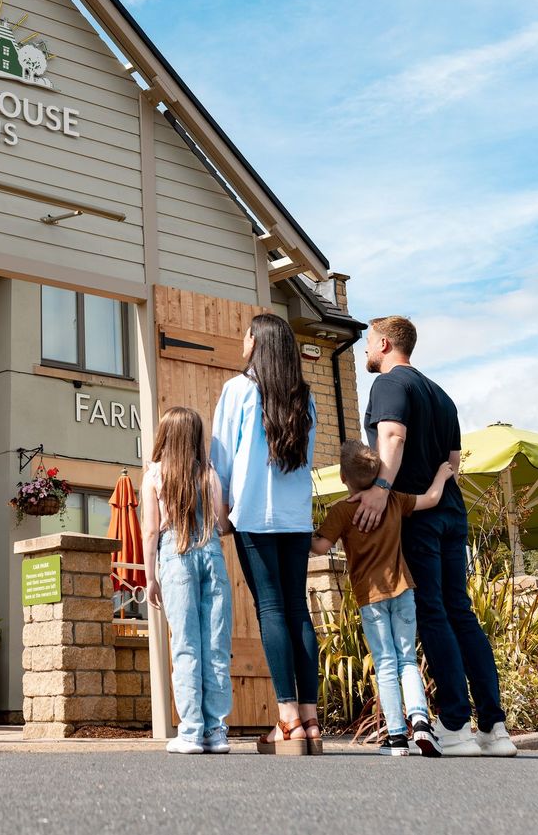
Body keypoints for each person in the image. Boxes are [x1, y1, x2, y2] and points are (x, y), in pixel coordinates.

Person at [351, 315, 517, 757]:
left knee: (433, 613)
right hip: (450, 513)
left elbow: (393, 434)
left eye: (368, 343)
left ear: (385, 344)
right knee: (460, 612)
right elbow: (453, 463)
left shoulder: (388, 385)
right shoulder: (441, 396)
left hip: (417, 515)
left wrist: (381, 490)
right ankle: (494, 727)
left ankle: (457, 725)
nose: (364, 351)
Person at [211, 312, 321, 755]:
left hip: (254, 515)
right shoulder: (305, 397)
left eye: (245, 334)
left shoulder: (238, 390)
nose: (242, 340)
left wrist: (221, 516)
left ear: (257, 341)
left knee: (271, 609)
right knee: (298, 610)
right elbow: (307, 458)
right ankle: (310, 723)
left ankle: (288, 721)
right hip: (295, 517)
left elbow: (220, 458)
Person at [313, 441, 452, 756]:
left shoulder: (341, 511)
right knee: (407, 660)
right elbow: (431, 498)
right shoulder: (392, 501)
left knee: (386, 662)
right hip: (403, 590)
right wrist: (442, 475)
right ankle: (420, 721)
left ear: (343, 478)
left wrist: (303, 536)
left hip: (371, 597)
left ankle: (397, 737)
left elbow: (321, 547)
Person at [142, 406, 234, 755]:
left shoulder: (153, 476)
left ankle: (191, 731)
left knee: (185, 646)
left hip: (175, 554)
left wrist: (150, 577)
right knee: (215, 645)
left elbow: (151, 531)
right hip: (210, 553)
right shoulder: (208, 473)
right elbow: (222, 523)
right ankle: (216, 732)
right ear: (195, 437)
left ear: (164, 436)